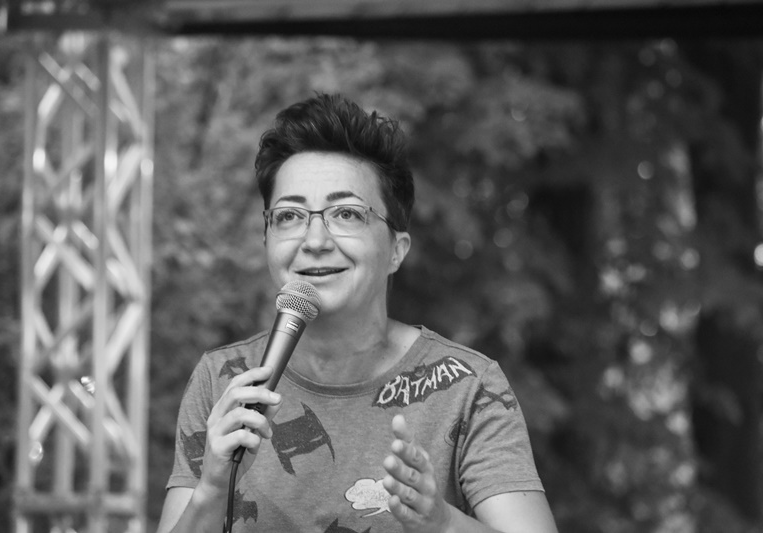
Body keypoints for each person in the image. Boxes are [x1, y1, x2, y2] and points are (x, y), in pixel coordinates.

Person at [156, 93, 558, 533]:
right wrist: (212, 490)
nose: (314, 241)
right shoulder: (221, 382)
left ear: (396, 250)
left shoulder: (468, 387)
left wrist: (444, 524)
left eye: (346, 213)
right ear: (266, 239)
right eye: (289, 216)